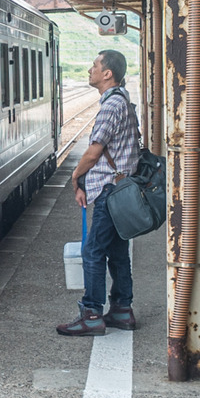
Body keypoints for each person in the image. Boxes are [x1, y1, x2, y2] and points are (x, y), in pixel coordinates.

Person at [57, 49, 141, 337]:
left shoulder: (110, 106)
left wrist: (76, 176)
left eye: (95, 66)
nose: (90, 70)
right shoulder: (123, 102)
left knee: (92, 251)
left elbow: (93, 152)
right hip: (121, 190)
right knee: (117, 252)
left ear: (108, 73)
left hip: (110, 192)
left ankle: (91, 313)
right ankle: (121, 310)